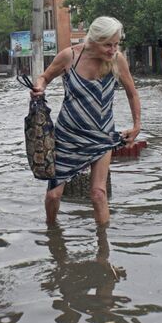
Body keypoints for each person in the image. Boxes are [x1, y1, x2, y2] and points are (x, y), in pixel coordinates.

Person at [30, 16, 141, 225]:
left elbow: (132, 93)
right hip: (67, 137)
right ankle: (52, 233)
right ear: (93, 40)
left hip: (102, 135)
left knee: (98, 194)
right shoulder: (69, 57)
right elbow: (44, 77)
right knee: (53, 196)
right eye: (108, 44)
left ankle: (103, 252)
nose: (112, 49)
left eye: (116, 44)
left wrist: (137, 125)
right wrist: (39, 89)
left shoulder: (117, 60)